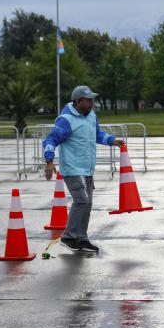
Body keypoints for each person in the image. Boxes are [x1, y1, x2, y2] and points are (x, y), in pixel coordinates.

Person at [43, 85, 125, 253]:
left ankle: (81, 238)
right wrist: (49, 161)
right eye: (88, 100)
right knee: (82, 201)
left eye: (92, 100)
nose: (92, 103)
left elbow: (97, 135)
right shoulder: (66, 119)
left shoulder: (91, 116)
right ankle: (69, 236)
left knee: (87, 204)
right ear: (78, 101)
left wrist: (112, 140)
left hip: (87, 168)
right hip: (72, 169)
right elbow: (50, 140)